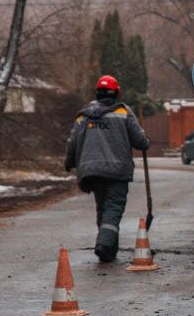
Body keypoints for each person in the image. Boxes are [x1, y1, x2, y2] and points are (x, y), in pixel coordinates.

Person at [64, 75, 150, 262]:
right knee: (113, 208)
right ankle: (104, 244)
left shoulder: (83, 115)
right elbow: (140, 140)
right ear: (117, 92)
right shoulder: (123, 112)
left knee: (103, 208)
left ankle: (109, 250)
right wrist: (145, 143)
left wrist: (69, 162)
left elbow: (72, 142)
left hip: (91, 171)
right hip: (117, 171)